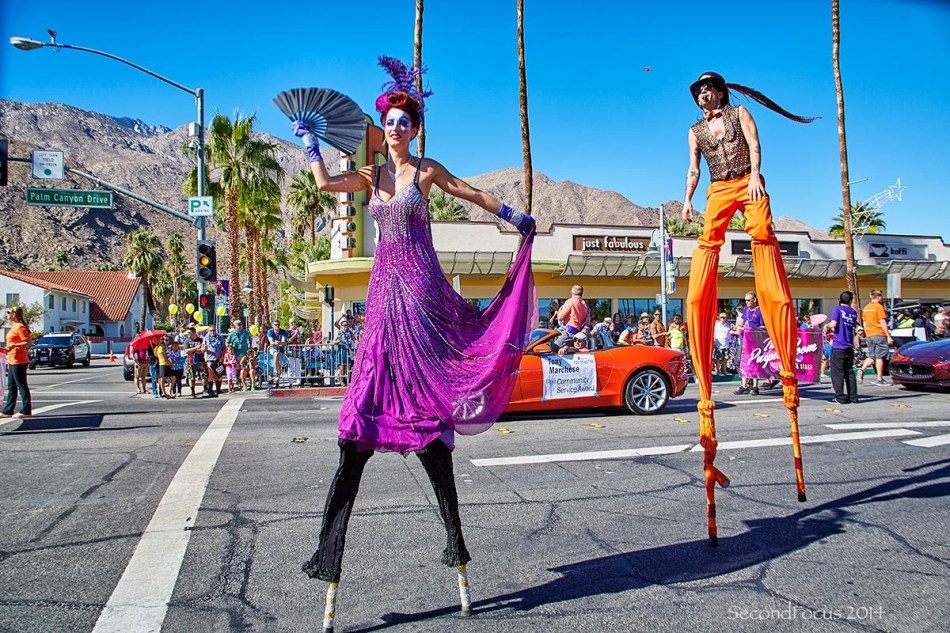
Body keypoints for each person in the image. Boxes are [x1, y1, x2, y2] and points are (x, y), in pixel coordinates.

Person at [291, 55, 536, 612]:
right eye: (391, 121)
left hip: (421, 296)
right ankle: (329, 555)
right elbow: (327, 182)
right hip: (382, 302)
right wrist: (310, 144)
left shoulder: (425, 172)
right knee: (363, 411)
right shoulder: (371, 176)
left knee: (427, 410)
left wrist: (512, 215)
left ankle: (455, 544)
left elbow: (470, 193)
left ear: (414, 128)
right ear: (382, 128)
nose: (397, 129)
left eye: (405, 121)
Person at [682, 72, 816, 540]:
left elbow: (756, 146)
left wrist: (756, 176)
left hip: (746, 182)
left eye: (709, 89)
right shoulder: (696, 131)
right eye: (699, 92)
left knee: (762, 237)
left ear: (721, 91)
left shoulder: (740, 114)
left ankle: (786, 374)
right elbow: (694, 170)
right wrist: (685, 201)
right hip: (718, 191)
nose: (704, 96)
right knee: (705, 253)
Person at [825, 291, 860, 404]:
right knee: (849, 372)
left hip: (839, 345)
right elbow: (852, 326)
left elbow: (834, 324)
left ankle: (840, 397)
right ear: (850, 301)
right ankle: (853, 397)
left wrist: (827, 325)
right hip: (849, 345)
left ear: (840, 300)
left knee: (837, 373)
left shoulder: (837, 309)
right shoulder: (853, 312)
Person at [2, 306, 33, 419]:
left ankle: (26, 410)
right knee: (12, 386)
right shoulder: (14, 326)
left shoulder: (20, 327)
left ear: (14, 314)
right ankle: (8, 410)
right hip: (12, 359)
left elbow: (28, 342)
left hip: (19, 360)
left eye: (9, 312)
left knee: (21, 385)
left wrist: (14, 345)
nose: (7, 314)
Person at [858, 289, 894, 386]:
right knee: (879, 357)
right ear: (878, 297)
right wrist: (888, 336)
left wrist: (866, 333)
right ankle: (879, 378)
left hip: (870, 334)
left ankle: (862, 369)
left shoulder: (866, 308)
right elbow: (882, 322)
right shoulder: (879, 307)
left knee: (872, 356)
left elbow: (864, 322)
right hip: (879, 333)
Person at [733, 291, 764, 394]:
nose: (746, 302)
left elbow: (764, 326)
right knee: (741, 361)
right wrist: (737, 327)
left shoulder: (760, 311)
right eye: (745, 300)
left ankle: (754, 386)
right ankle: (744, 385)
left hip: (755, 340)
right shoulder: (746, 310)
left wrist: (753, 329)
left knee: (753, 362)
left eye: (748, 300)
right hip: (744, 339)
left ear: (754, 300)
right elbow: (741, 323)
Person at [203, 325, 225, 397]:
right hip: (210, 359)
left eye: (214, 330)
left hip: (218, 358)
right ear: (208, 331)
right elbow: (202, 349)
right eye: (211, 331)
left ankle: (218, 389)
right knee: (211, 375)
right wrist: (204, 349)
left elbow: (223, 348)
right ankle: (210, 390)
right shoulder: (206, 338)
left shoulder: (219, 337)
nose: (212, 332)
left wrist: (222, 356)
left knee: (219, 375)